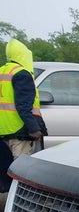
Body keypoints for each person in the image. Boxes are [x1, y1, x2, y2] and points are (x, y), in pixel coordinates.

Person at [1, 38, 47, 191]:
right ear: (24, 55)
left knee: (6, 168)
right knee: (21, 172)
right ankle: (21, 204)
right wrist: (34, 128)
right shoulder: (22, 74)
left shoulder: (2, 71)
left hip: (4, 130)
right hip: (19, 131)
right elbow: (23, 106)